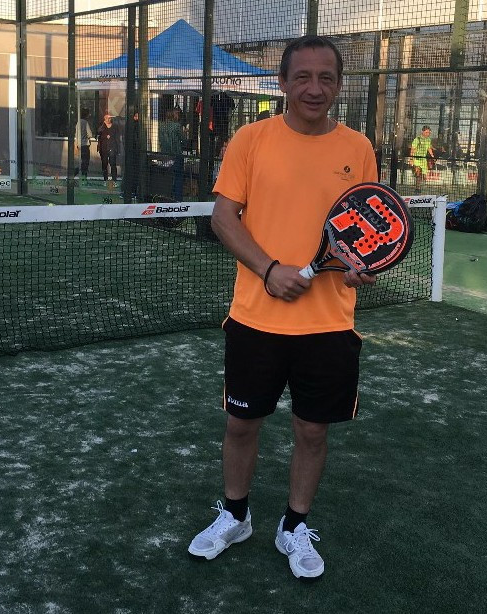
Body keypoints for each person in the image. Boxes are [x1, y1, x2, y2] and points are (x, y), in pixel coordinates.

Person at [187, 35, 378, 580]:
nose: (314, 88)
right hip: (255, 319)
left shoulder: (358, 148)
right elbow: (223, 218)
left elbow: (363, 230)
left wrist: (360, 266)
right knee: (241, 424)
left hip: (329, 324)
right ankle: (236, 515)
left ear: (338, 85)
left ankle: (294, 525)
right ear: (283, 82)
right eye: (303, 77)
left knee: (312, 432)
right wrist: (270, 270)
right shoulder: (251, 139)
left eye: (326, 78)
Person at [158, 108, 184, 201]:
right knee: (178, 176)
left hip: (164, 154)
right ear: (173, 116)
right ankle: (178, 198)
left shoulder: (161, 125)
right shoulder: (177, 126)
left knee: (166, 175)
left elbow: (160, 139)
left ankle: (166, 196)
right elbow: (182, 139)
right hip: (176, 154)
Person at [96, 111, 120, 183]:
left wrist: (117, 148)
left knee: (113, 163)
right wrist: (103, 125)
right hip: (103, 148)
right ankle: (105, 179)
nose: (109, 119)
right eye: (107, 118)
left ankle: (114, 179)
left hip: (112, 147)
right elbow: (98, 133)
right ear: (104, 119)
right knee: (104, 163)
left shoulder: (115, 126)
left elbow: (117, 137)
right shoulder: (102, 127)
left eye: (110, 118)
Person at [410, 125, 434, 194]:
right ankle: (417, 188)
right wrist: (411, 159)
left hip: (424, 160)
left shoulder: (428, 139)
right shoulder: (417, 139)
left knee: (424, 175)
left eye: (429, 133)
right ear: (422, 132)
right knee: (418, 174)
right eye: (426, 132)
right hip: (417, 159)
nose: (428, 134)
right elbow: (413, 149)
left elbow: (429, 148)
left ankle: (421, 186)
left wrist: (432, 156)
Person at [74, 108, 93, 182]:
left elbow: (76, 134)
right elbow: (90, 134)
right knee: (85, 162)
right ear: (86, 115)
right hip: (85, 144)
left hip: (79, 144)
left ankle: (75, 173)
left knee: (82, 161)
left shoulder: (78, 122)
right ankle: (83, 177)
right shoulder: (85, 122)